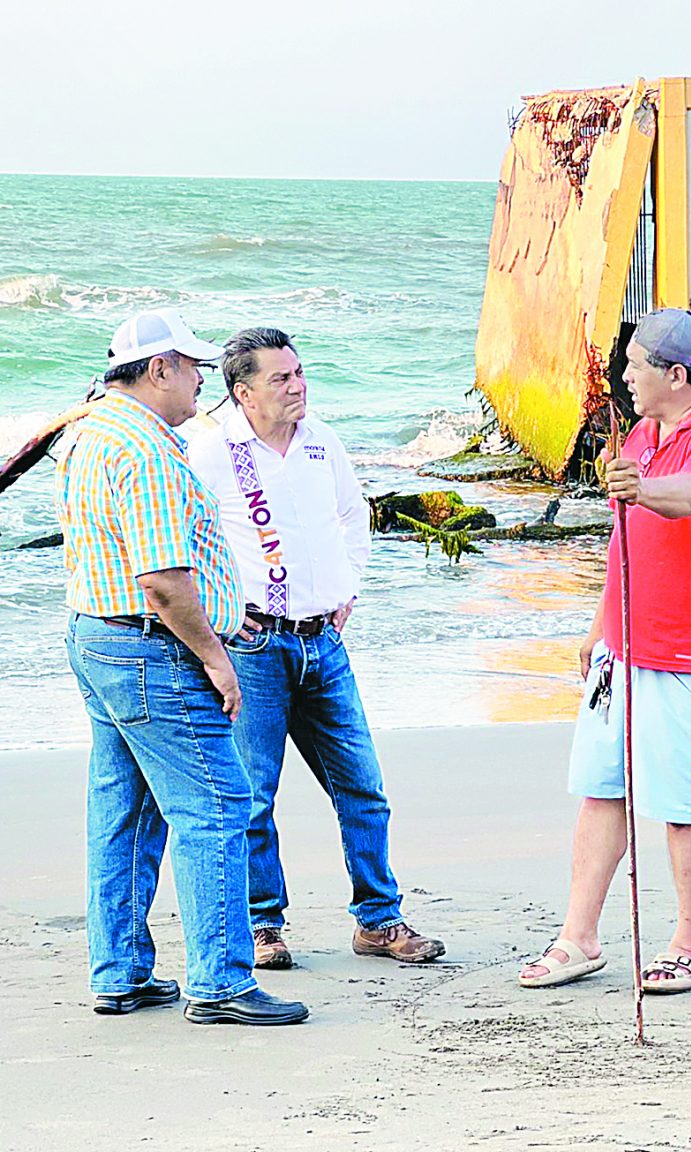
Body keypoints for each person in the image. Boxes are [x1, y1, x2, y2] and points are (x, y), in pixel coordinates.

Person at [57, 308, 308, 1026]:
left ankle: (121, 972)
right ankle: (220, 982)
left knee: (124, 813)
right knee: (217, 807)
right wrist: (216, 658)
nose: (203, 380)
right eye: (193, 367)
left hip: (98, 636)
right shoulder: (148, 450)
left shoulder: (90, 431)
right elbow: (163, 580)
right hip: (151, 648)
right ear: (159, 369)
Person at [518, 308, 691, 995]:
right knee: (602, 791)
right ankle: (578, 938)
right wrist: (600, 628)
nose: (623, 376)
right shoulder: (642, 432)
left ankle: (689, 946)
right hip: (626, 650)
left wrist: (643, 488)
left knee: (684, 807)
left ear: (676, 374)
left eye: (635, 366)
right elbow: (624, 541)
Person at [186, 326, 444, 968]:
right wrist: (219, 616)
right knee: (254, 796)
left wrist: (347, 585)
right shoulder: (210, 450)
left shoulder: (321, 440)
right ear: (243, 392)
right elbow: (188, 537)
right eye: (281, 378)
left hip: (323, 642)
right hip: (254, 645)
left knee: (363, 787)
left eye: (299, 372)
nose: (297, 386)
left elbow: (354, 517)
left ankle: (379, 920)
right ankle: (263, 926)